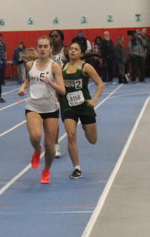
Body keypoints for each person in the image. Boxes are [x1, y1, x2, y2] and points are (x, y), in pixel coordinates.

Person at [18, 35, 66, 184]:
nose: (43, 49)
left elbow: (62, 90)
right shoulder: (30, 65)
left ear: (50, 48)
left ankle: (46, 171)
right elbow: (29, 80)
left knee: (50, 147)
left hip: (51, 108)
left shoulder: (55, 66)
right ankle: (37, 150)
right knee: (35, 136)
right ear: (37, 48)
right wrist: (22, 87)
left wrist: (50, 83)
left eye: (46, 46)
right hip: (33, 106)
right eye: (40, 46)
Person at [59, 42, 103, 180]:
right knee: (71, 135)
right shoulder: (62, 68)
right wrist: (59, 103)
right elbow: (58, 88)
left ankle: (84, 125)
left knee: (92, 140)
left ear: (81, 53)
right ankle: (77, 168)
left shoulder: (86, 67)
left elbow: (100, 84)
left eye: (76, 49)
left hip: (84, 106)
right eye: (71, 49)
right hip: (68, 106)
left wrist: (94, 100)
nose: (72, 51)